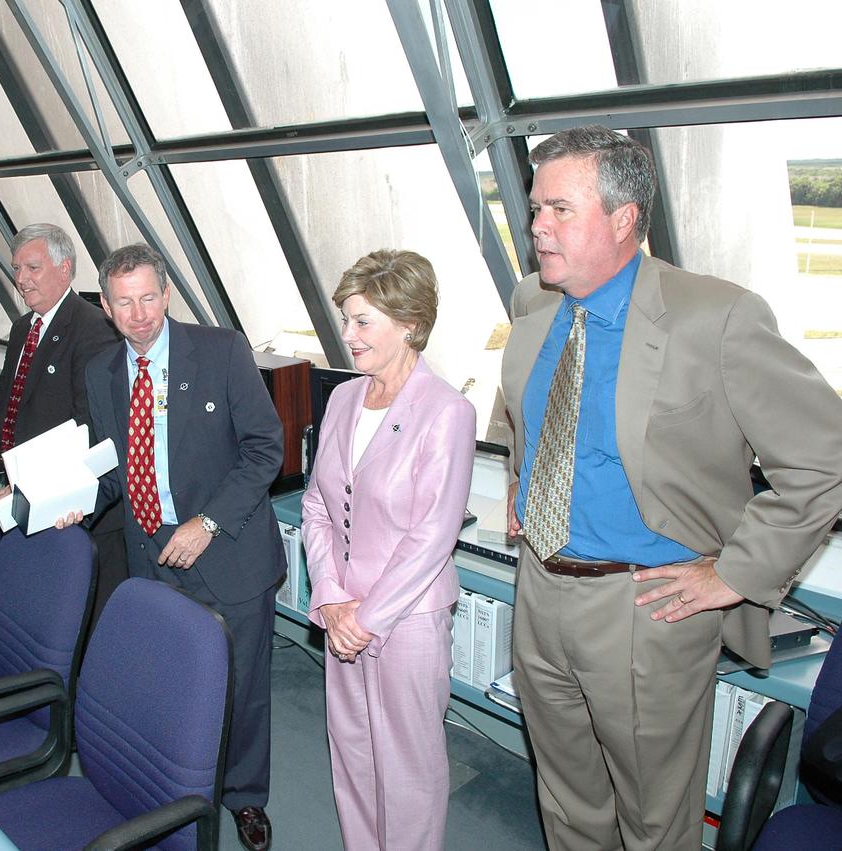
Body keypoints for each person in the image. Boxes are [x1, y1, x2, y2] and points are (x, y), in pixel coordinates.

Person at [502, 124, 842, 850]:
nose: (537, 226)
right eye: (536, 208)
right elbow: (522, 415)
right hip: (540, 589)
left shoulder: (714, 316)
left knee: (656, 821)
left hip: (644, 609)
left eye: (560, 209)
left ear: (623, 218)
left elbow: (824, 456)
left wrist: (735, 571)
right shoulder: (533, 302)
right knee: (566, 804)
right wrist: (521, 485)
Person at [79, 242, 286, 851]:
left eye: (149, 297)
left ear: (167, 295)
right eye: (124, 302)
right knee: (169, 679)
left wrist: (208, 523)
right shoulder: (102, 372)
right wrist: (75, 501)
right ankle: (170, 791)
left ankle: (245, 798)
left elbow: (263, 449)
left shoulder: (221, 351)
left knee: (242, 688)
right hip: (150, 556)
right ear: (106, 307)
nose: (139, 314)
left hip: (228, 551)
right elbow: (115, 469)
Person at [301, 250, 475, 850]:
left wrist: (365, 619)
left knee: (409, 769)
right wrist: (329, 598)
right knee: (349, 753)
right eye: (346, 319)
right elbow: (318, 505)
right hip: (341, 612)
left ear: (409, 324)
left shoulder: (447, 411)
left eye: (362, 321)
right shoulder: (344, 400)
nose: (347, 335)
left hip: (407, 620)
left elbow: (433, 535)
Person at [0, 223, 124, 620]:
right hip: (22, 491)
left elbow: (89, 428)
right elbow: (2, 402)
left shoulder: (94, 329)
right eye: (16, 270)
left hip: (73, 508)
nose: (21, 280)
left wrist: (29, 485)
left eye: (32, 268)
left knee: (76, 622)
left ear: (65, 269)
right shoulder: (22, 328)